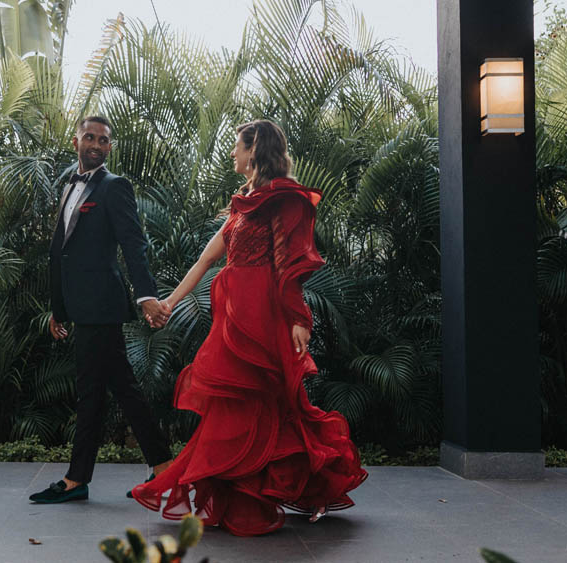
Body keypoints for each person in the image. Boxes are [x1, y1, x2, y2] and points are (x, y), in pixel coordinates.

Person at [129, 119, 367, 536]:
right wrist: (168, 302)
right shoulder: (242, 204)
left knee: (275, 404)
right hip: (232, 317)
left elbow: (288, 266)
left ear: (254, 150)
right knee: (233, 407)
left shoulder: (283, 200)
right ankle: (239, 488)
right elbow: (205, 261)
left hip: (264, 314)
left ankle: (310, 485)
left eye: (237, 147)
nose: (233, 154)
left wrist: (298, 319)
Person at [29, 116, 173, 504]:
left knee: (109, 390)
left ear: (110, 147)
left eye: (104, 140)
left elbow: (133, 243)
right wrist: (58, 308)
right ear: (75, 140)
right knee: (104, 390)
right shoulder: (69, 186)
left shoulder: (114, 187)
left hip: (103, 306)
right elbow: (60, 252)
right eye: (89, 137)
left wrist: (146, 296)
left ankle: (153, 472)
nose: (96, 144)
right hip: (81, 307)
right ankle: (154, 469)